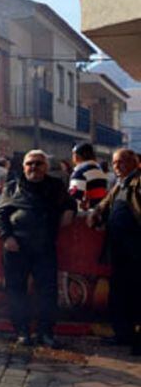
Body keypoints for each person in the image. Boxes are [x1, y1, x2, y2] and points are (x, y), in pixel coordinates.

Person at [0, 150, 74, 348]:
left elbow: (70, 201)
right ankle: (22, 331)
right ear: (23, 166)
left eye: (38, 163)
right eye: (30, 164)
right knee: (16, 290)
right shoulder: (12, 187)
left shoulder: (55, 186)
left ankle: (46, 332)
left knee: (48, 292)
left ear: (46, 167)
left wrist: (71, 210)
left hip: (44, 246)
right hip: (16, 247)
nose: (34, 167)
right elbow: (0, 214)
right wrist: (6, 236)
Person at [88, 148, 141, 355]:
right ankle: (122, 335)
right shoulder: (119, 184)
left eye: (122, 162)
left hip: (136, 250)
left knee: (136, 295)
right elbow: (106, 202)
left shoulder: (138, 182)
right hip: (119, 250)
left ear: (134, 163)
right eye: (115, 163)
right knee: (119, 294)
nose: (117, 166)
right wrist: (96, 212)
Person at [69, 142, 109, 211]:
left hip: (87, 215)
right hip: (101, 211)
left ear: (76, 156)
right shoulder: (100, 172)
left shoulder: (80, 173)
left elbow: (74, 197)